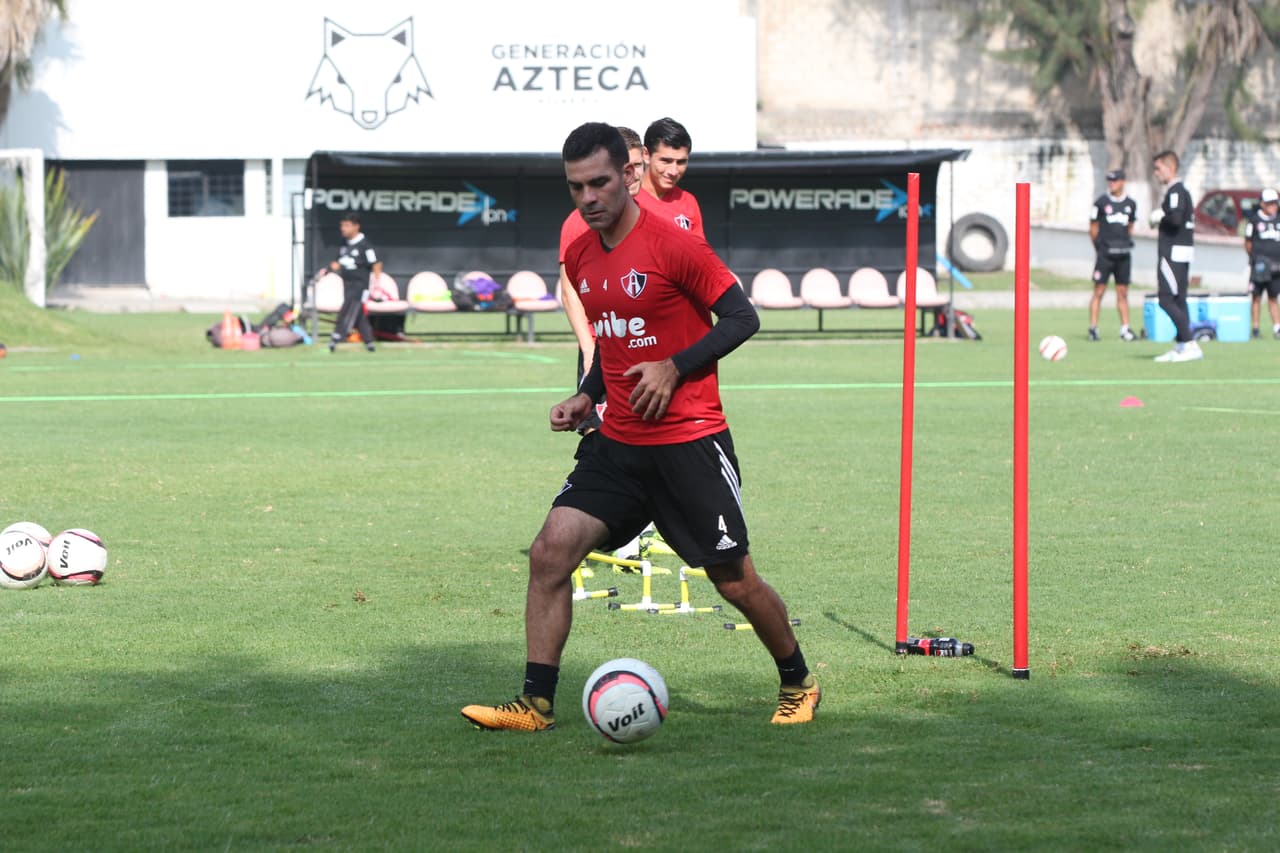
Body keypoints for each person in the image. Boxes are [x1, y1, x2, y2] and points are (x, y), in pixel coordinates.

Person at [461, 122, 819, 732]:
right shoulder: (579, 252)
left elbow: (741, 316)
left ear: (628, 175)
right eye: (576, 187)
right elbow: (613, 342)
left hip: (690, 440)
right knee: (549, 554)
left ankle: (798, 682)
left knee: (734, 581)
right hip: (620, 442)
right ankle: (535, 704)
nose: (588, 198)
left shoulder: (673, 242)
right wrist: (586, 395)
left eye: (599, 182)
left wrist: (676, 366)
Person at [558, 126, 647, 433]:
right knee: (597, 435)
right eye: (626, 168)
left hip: (644, 350)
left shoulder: (651, 219)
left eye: (637, 167)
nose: (632, 175)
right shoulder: (582, 221)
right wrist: (588, 349)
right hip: (603, 351)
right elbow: (569, 291)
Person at [1149, 150, 1201, 362]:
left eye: (1158, 168)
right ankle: (1182, 345)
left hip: (1172, 253)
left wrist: (1160, 217)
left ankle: (1189, 342)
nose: (1156, 173)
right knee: (1179, 299)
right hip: (1182, 251)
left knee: (1166, 299)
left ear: (1171, 168)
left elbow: (1176, 219)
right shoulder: (1179, 191)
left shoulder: (1176, 192)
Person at [1088, 168, 1138, 342]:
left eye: (1115, 180)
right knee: (1099, 291)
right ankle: (1093, 328)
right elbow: (1093, 228)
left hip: (1123, 254)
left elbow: (1130, 226)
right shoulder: (1101, 203)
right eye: (1110, 181)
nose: (1112, 184)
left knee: (1122, 292)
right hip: (1105, 255)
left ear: (1122, 182)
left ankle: (1125, 329)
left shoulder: (1130, 204)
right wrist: (1099, 247)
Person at [639, 117, 705, 240]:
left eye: (680, 162)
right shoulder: (625, 200)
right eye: (666, 161)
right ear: (646, 155)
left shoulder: (688, 203)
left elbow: (699, 255)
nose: (673, 171)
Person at [322, 213, 379, 353]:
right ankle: (369, 342)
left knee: (348, 308)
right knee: (359, 315)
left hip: (361, 285)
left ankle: (336, 337)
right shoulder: (344, 244)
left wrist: (376, 284)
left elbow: (376, 263)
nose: (343, 228)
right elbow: (338, 262)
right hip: (347, 284)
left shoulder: (365, 244)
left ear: (356, 226)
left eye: (347, 225)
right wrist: (326, 271)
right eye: (342, 225)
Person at [1244, 187, 1280, 339]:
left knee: (1273, 297)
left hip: (1276, 267)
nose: (1273, 206)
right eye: (1269, 203)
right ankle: (1256, 329)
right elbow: (1248, 242)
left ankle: (1277, 328)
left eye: (1275, 203)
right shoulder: (1254, 220)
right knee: (1256, 297)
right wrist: (1255, 258)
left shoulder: (1278, 220)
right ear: (1262, 204)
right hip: (1259, 266)